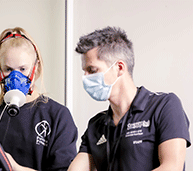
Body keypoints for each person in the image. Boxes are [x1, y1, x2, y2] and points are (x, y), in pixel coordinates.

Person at [0, 27, 78, 171]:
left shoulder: (58, 116)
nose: (15, 77)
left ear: (35, 67)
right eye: (8, 69)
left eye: (23, 69)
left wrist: (15, 168)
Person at [68, 26, 191, 171]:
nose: (85, 78)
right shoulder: (96, 125)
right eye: (84, 72)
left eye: (92, 70)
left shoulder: (164, 106)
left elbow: (172, 167)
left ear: (119, 68)